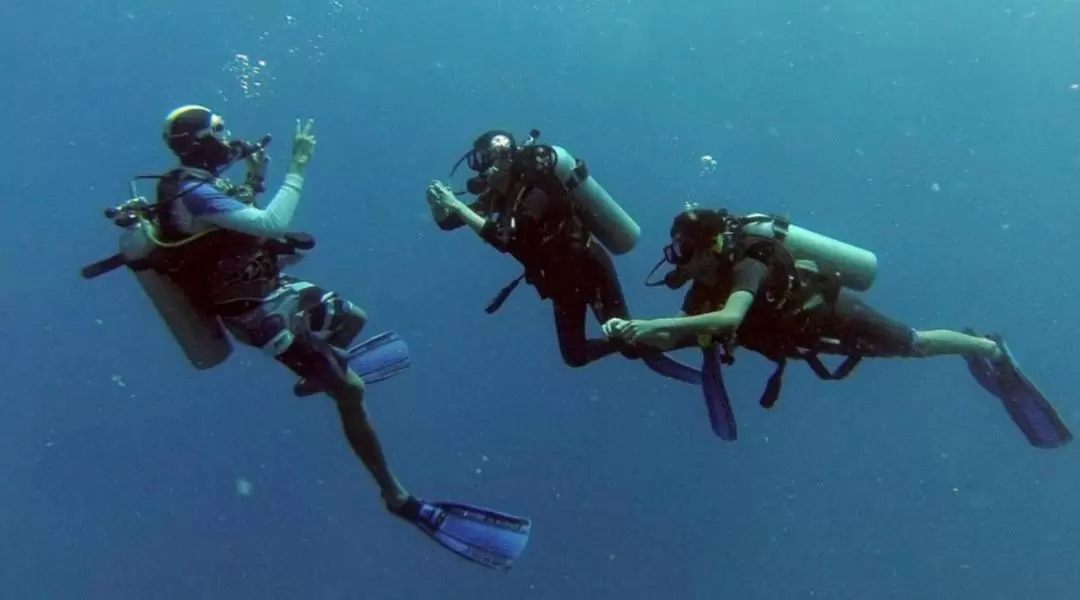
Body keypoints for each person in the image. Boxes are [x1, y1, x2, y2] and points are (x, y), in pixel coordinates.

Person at [80, 106, 532, 570]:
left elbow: (233, 224)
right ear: (198, 142)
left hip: (273, 290)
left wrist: (254, 178)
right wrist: (297, 167)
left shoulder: (196, 186)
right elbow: (269, 224)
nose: (228, 136)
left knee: (352, 318)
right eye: (219, 130)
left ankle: (313, 376)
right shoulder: (192, 191)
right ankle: (395, 495)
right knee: (351, 391)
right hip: (255, 314)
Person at [602, 207, 1072, 448]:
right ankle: (983, 347)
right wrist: (632, 333)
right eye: (676, 250)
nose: (679, 261)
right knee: (908, 350)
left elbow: (729, 320)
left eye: (686, 250)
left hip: (835, 315)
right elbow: (678, 333)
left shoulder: (750, 264)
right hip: (804, 339)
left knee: (916, 345)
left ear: (713, 246)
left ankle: (987, 348)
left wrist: (650, 325)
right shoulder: (700, 294)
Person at [425, 129, 699, 383]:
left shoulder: (537, 189)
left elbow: (504, 238)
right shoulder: (499, 196)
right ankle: (632, 341)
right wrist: (440, 206)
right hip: (560, 285)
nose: (481, 171)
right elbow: (449, 222)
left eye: (484, 160)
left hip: (587, 269)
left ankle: (692, 334)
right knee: (575, 355)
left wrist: (457, 206)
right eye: (477, 163)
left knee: (625, 342)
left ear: (505, 159)